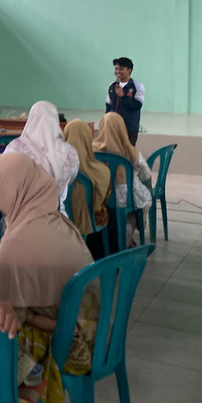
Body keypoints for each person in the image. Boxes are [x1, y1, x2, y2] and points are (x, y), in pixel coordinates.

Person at [0, 152, 98, 403]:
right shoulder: (51, 219)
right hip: (93, 335)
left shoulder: (16, 243)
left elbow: (9, 320)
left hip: (72, 347)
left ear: (13, 190)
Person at [4, 100, 79, 211]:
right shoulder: (70, 152)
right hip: (57, 216)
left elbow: (3, 176)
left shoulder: (16, 147)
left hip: (20, 216)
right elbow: (71, 178)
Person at [92, 111, 152, 247]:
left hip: (101, 197)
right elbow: (146, 175)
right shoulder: (131, 151)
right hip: (125, 199)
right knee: (142, 203)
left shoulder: (92, 150)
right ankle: (127, 236)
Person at [63, 119, 112, 257]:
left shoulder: (58, 169)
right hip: (92, 225)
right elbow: (105, 200)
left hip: (61, 222)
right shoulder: (103, 172)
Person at [105, 57, 144, 146]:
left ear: (129, 70)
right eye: (116, 69)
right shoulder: (112, 86)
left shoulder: (138, 86)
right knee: (113, 153)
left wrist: (123, 96)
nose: (117, 71)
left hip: (129, 129)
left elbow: (137, 105)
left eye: (121, 69)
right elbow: (108, 107)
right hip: (113, 128)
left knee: (127, 155)